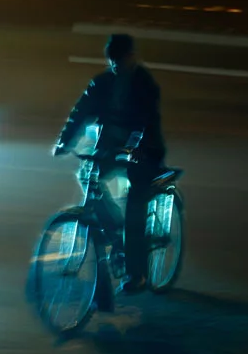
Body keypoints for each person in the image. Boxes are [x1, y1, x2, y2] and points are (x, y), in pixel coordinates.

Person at [53, 33, 166, 294]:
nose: (115, 65)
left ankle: (137, 275)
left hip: (143, 151)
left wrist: (135, 146)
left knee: (136, 209)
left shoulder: (145, 84)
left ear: (131, 57)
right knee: (87, 176)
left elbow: (147, 121)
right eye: (111, 60)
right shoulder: (102, 83)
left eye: (120, 59)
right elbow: (80, 111)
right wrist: (65, 141)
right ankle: (116, 230)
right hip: (110, 149)